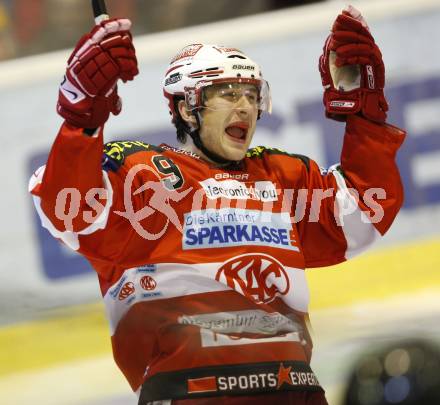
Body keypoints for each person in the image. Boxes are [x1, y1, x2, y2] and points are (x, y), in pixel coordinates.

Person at [29, 6, 405, 405]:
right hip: (190, 393)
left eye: (250, 94)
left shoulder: (281, 176)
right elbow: (66, 209)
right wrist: (81, 117)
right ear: (185, 106)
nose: (244, 106)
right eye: (227, 94)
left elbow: (363, 213)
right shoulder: (142, 177)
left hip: (295, 391)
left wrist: (363, 111)